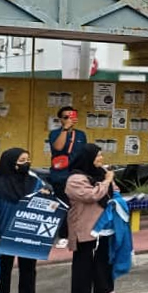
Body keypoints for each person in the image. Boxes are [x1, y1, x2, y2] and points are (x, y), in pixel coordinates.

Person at [0, 148, 47, 293]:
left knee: (28, 268)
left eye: (27, 160)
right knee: (2, 270)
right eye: (22, 160)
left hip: (28, 233)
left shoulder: (34, 182)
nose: (26, 163)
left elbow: (45, 201)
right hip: (5, 235)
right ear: (11, 163)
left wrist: (47, 194)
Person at [65, 144, 118, 293]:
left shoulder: (101, 173)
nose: (101, 159)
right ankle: (80, 292)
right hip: (84, 224)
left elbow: (115, 190)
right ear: (88, 158)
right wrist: (107, 181)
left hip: (104, 223)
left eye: (101, 155)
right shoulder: (75, 179)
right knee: (83, 258)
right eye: (98, 156)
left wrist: (110, 182)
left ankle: (106, 289)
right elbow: (91, 195)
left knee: (104, 257)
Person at [48, 106, 87, 249]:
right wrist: (65, 129)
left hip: (77, 175)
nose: (69, 120)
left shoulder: (81, 135)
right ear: (60, 120)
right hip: (60, 175)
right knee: (64, 206)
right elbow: (58, 148)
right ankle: (63, 235)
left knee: (77, 206)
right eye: (65, 117)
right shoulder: (55, 133)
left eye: (71, 117)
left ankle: (75, 233)